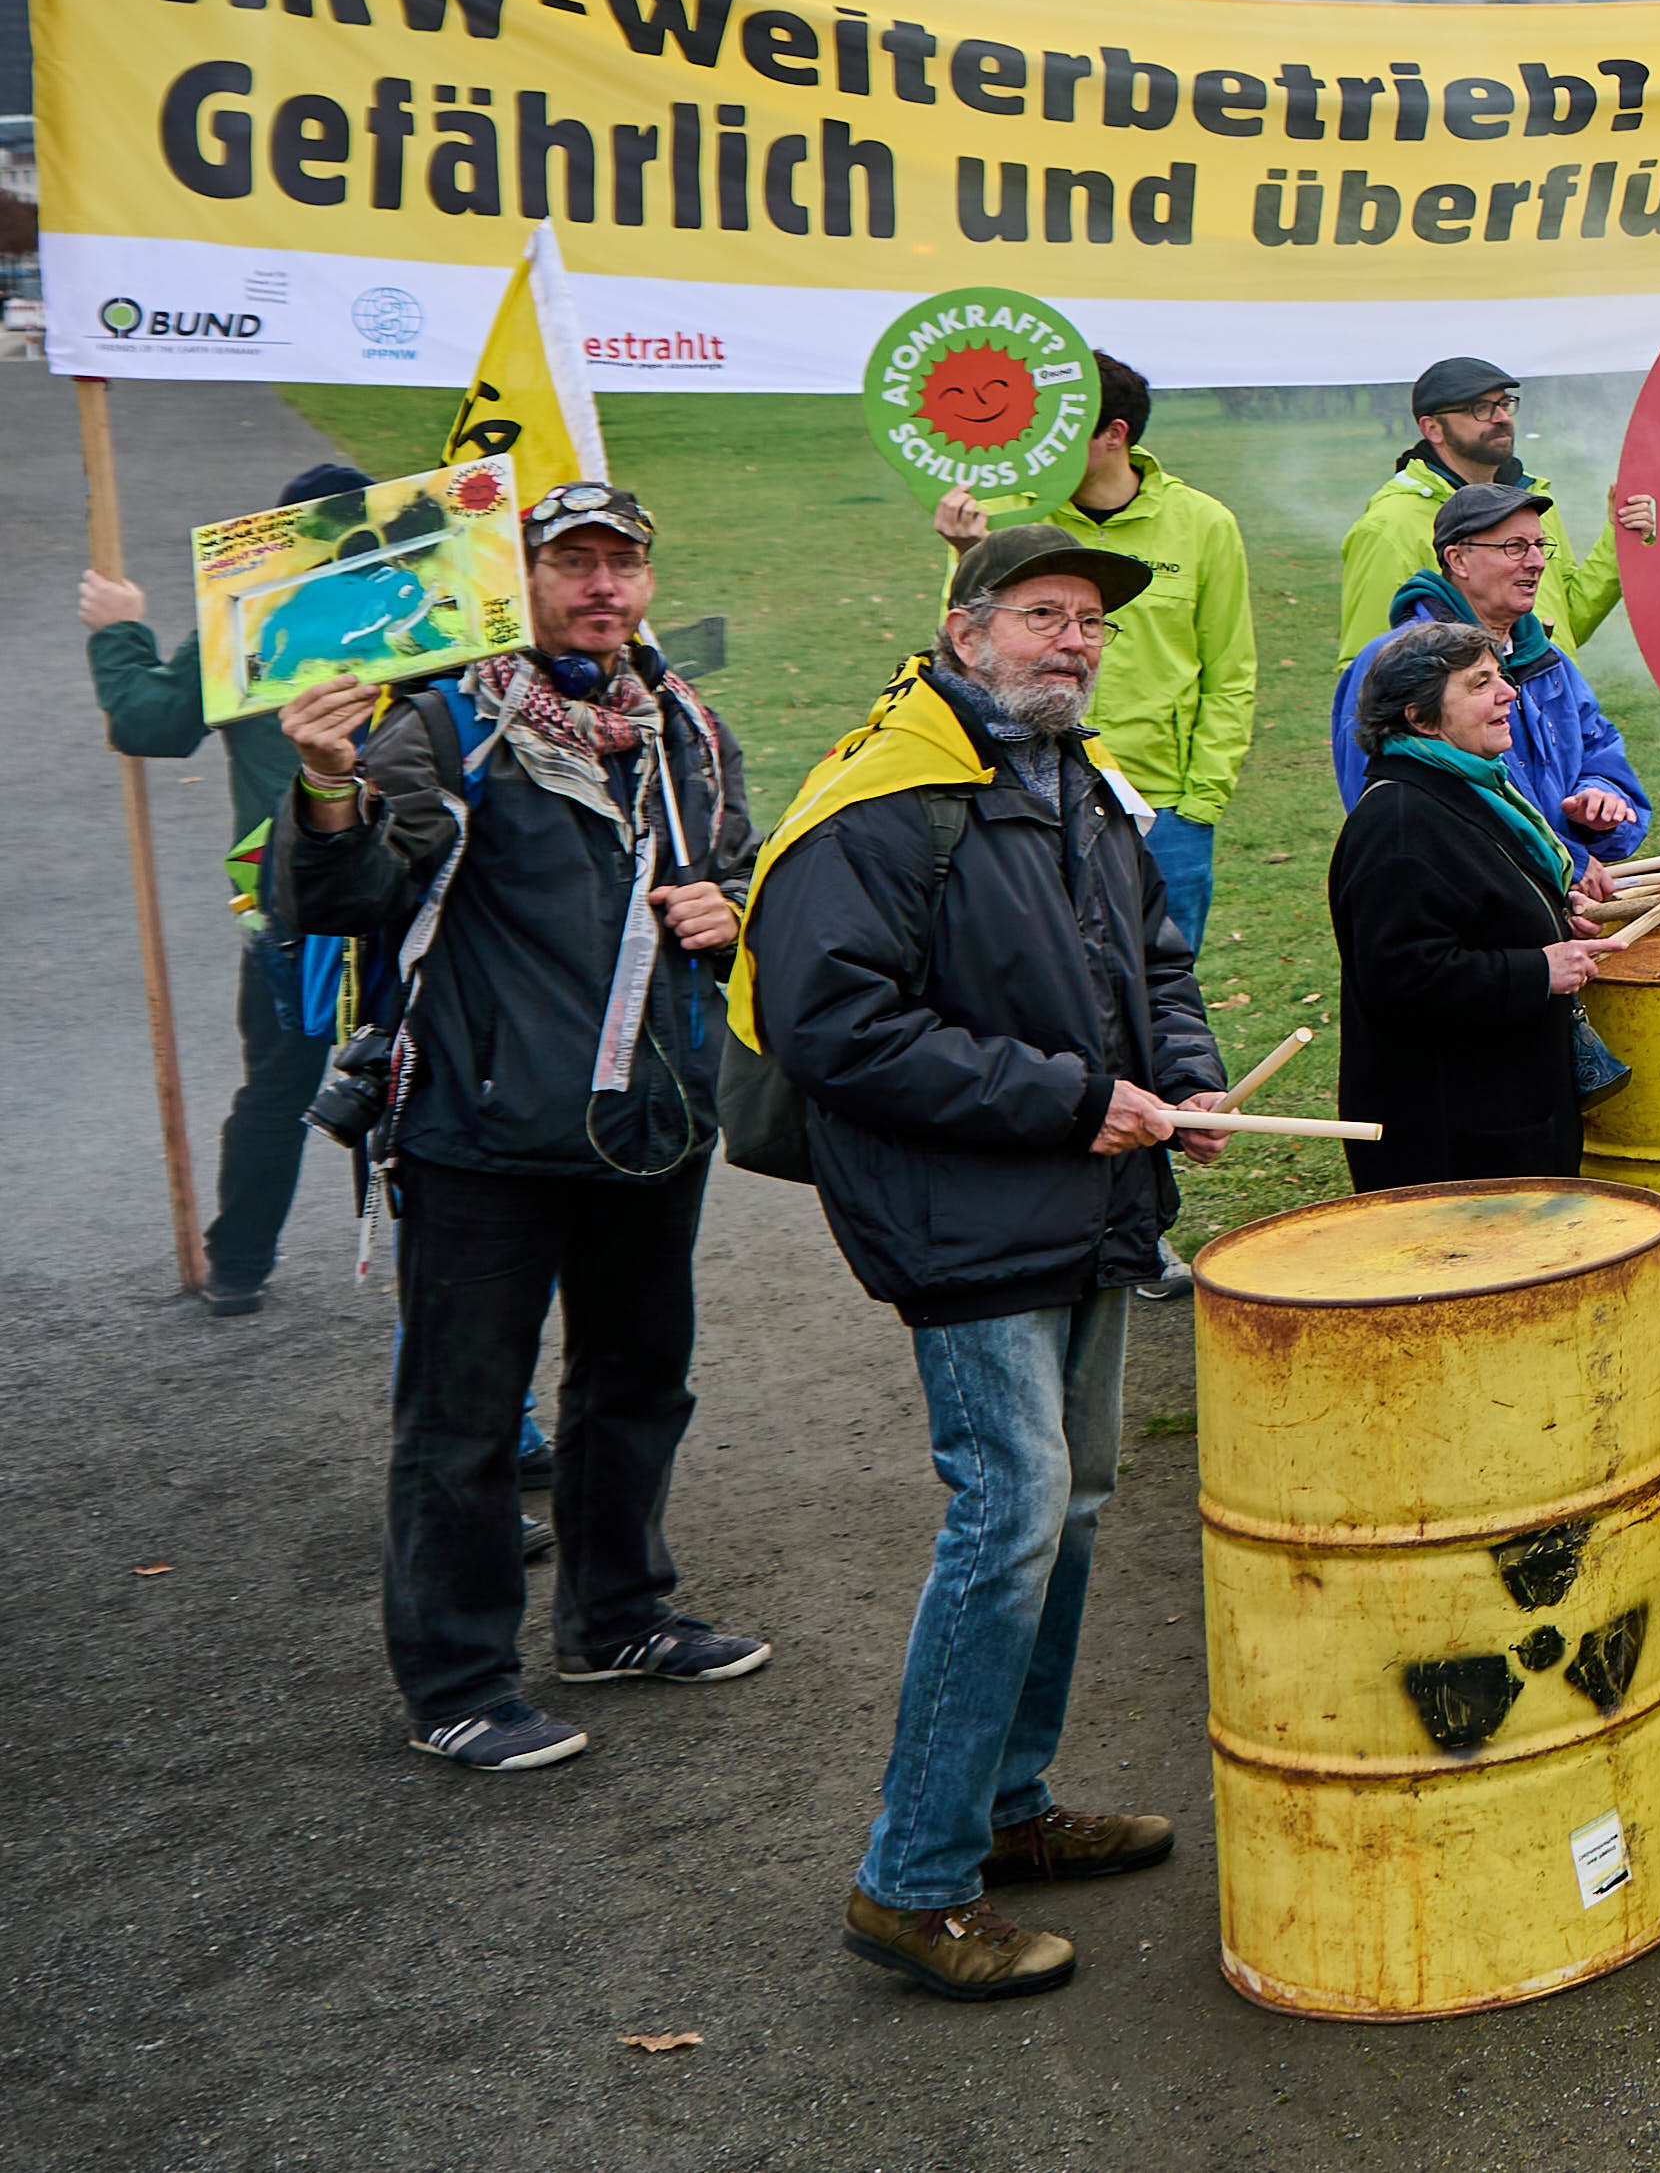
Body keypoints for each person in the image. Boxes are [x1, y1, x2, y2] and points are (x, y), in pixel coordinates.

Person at [738, 527, 1223, 2001]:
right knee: (1009, 1515)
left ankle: (1008, 1807)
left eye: (1090, 622)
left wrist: (1185, 1076)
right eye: (1042, 616)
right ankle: (913, 1881)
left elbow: (1154, 960)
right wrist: (1073, 1101)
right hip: (963, 1214)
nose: (1073, 641)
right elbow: (837, 1030)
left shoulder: (1080, 780)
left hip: (1087, 1198)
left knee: (1070, 1508)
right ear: (964, 632)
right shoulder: (881, 801)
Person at [270, 482, 762, 1774]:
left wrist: (732, 905)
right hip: (480, 1133)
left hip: (649, 1119)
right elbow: (345, 897)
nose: (603, 586)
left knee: (640, 1378)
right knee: (464, 1418)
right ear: (517, 578)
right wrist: (325, 783)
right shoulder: (442, 726)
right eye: (573, 562)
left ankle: (616, 1616)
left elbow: (738, 863)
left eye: (623, 563)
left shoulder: (684, 725)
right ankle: (457, 1683)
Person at [82, 456, 373, 1313]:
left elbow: (148, 721)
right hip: (400, 882)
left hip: (295, 893)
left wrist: (120, 630)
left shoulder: (249, 619)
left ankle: (239, 1264)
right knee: (440, 1067)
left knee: (279, 1085)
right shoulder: (435, 610)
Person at [1331, 481, 1651, 1103]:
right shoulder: (1398, 666)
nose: (1535, 562)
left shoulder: (1545, 658)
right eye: (1513, 547)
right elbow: (1391, 813)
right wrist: (1559, 866)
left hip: (1553, 937)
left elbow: (1603, 754)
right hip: (1476, 969)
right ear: (1457, 558)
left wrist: (1599, 802)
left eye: (1539, 546)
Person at [935, 357, 1251, 951]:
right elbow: (962, 655)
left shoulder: (1203, 523)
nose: (1034, 445)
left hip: (1164, 806)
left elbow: (1230, 670)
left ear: (1114, 434)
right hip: (1030, 795)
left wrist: (1201, 800)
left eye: (1055, 429)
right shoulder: (1003, 517)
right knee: (1039, 973)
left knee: (1160, 982)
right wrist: (965, 553)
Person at [1328, 617, 1620, 1181]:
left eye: (1500, 676)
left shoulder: (1468, 788)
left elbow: (1477, 908)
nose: (1509, 693)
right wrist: (1539, 969)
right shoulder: (1398, 824)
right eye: (1479, 684)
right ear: (1420, 717)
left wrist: (1553, 921)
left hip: (1507, 1113)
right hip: (1452, 1145)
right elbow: (1400, 978)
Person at [1333, 355, 1657, 660]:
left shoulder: (1531, 502)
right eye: (1479, 408)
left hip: (1549, 696)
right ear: (1432, 428)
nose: (1501, 417)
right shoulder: (1390, 524)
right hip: (1472, 704)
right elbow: (1368, 664)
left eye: (1504, 403)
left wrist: (1619, 536)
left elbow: (1564, 622)